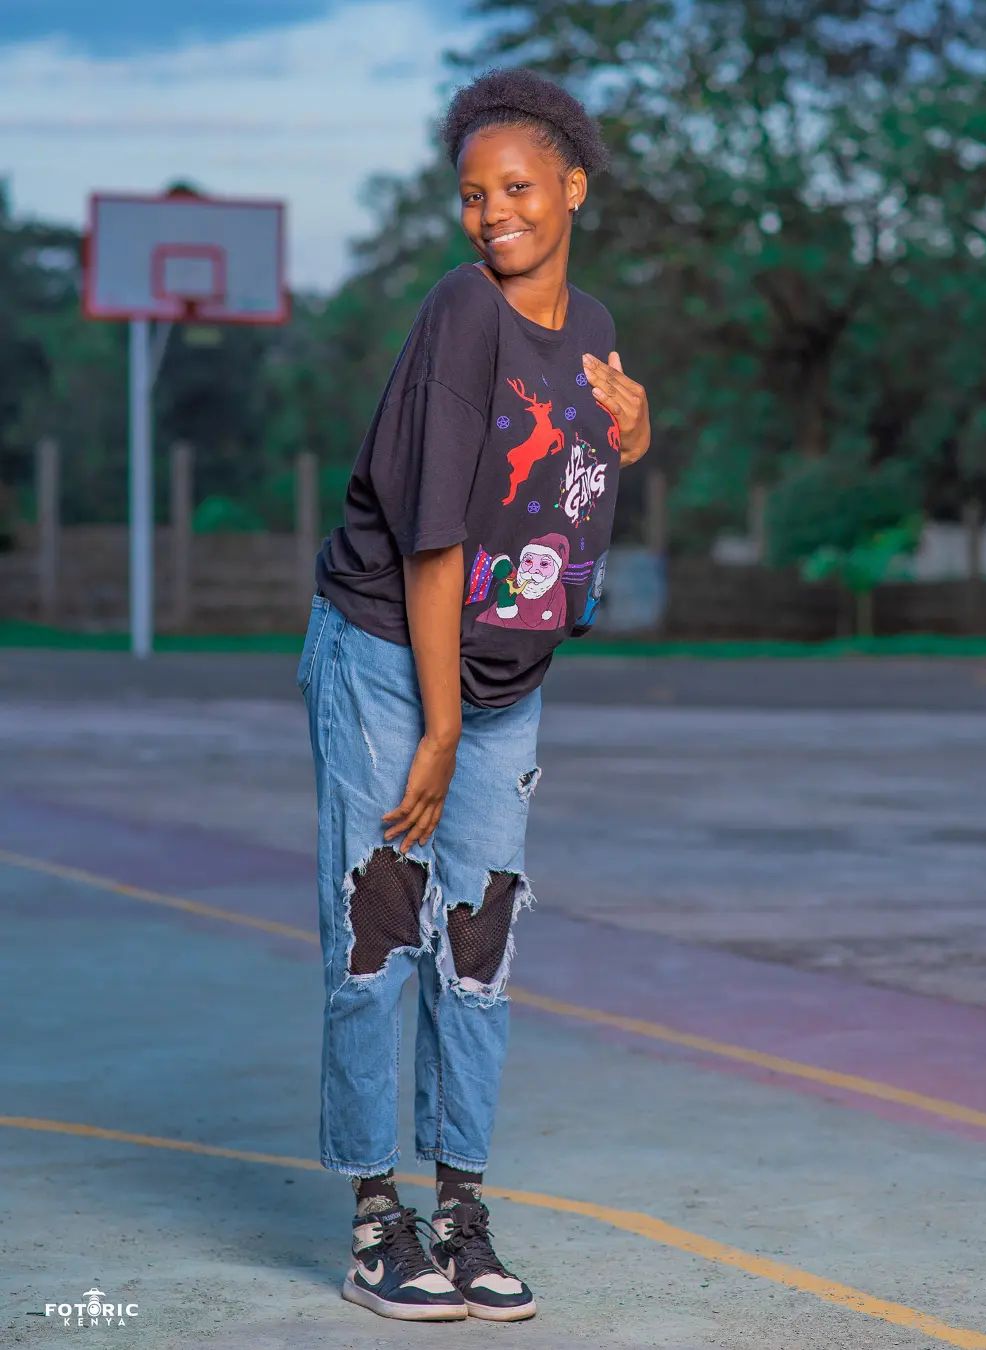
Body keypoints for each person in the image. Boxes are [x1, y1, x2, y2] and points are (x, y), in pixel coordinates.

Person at [297, 64, 651, 1323]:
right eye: (472, 193)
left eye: (517, 187)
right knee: (380, 924)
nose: (493, 212)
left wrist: (636, 433)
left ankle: (462, 1213)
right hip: (390, 654)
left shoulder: (593, 324)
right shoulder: (463, 309)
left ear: (574, 188)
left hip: (503, 677)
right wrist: (440, 728)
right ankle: (374, 1224)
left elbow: (570, 496)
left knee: (481, 938)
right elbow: (434, 537)